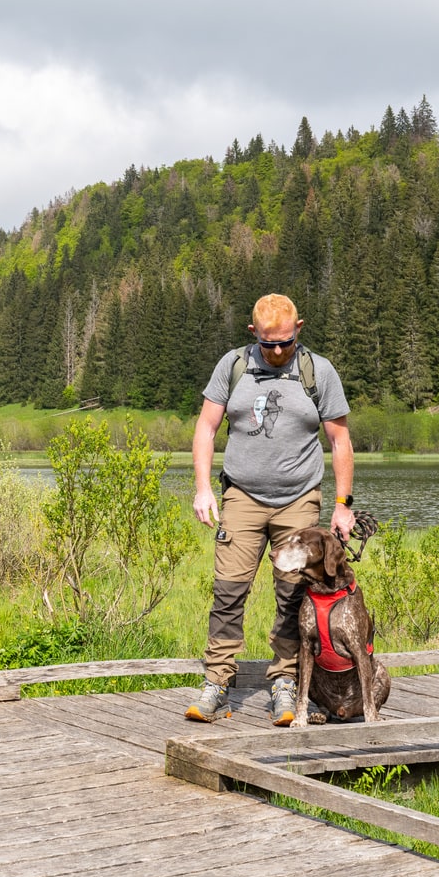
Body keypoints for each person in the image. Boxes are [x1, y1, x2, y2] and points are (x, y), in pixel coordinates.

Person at [187, 293, 354, 726]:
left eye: (285, 342)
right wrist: (203, 489)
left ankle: (284, 681)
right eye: (268, 343)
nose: (277, 351)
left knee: (293, 594)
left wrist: (342, 505)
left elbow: (340, 440)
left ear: (299, 328)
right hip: (241, 496)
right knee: (228, 591)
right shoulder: (233, 366)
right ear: (252, 334)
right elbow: (206, 428)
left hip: (299, 500)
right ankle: (217, 683)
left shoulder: (318, 372)